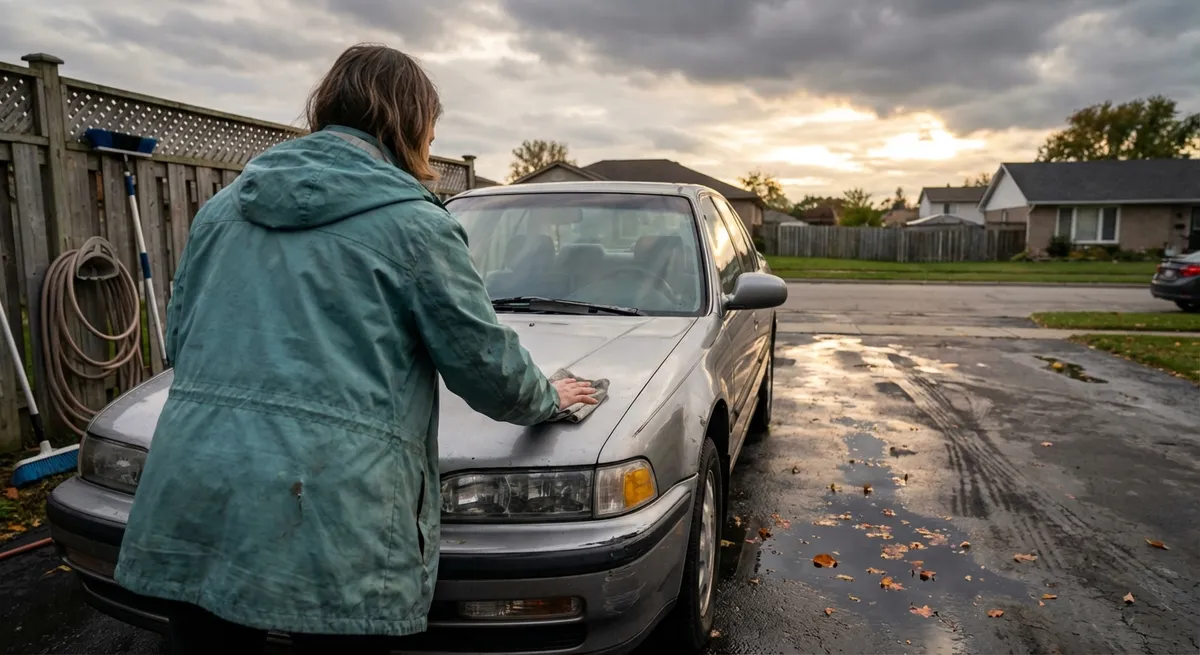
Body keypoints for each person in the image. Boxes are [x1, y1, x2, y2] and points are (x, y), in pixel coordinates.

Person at [114, 43, 598, 655]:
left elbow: (181, 340)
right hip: (330, 511)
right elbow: (484, 366)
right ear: (410, 122)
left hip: (198, 485)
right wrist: (547, 395)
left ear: (328, 106)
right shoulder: (416, 225)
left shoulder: (221, 208)